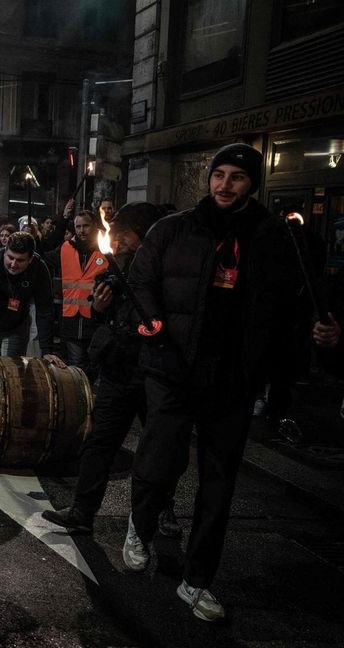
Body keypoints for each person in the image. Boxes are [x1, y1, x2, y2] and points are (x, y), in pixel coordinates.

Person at [124, 143, 296, 622]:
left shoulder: (271, 237)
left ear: (251, 184)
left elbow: (288, 306)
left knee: (218, 488)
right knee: (161, 462)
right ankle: (139, 525)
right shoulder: (173, 228)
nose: (224, 184)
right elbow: (141, 281)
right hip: (173, 369)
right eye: (218, 174)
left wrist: (296, 357)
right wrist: (155, 326)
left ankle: (197, 580)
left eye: (236, 177)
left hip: (233, 380)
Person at [43, 203, 177, 535]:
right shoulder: (116, 267)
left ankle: (164, 511)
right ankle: (82, 511)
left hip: (154, 370)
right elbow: (105, 312)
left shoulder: (166, 267)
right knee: (99, 441)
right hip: (119, 367)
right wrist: (100, 306)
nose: (116, 241)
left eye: (123, 234)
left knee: (160, 445)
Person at [0, 231, 63, 365]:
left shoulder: (39, 267)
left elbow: (45, 310)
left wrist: (47, 350)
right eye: (10, 257)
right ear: (5, 251)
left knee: (13, 371)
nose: (13, 264)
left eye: (20, 260)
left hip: (17, 326)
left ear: (30, 259)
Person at [43, 210, 107, 372]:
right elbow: (43, 252)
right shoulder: (65, 248)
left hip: (96, 321)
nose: (81, 230)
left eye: (85, 226)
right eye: (78, 226)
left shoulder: (106, 250)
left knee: (97, 367)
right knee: (77, 369)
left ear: (94, 226)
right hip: (71, 321)